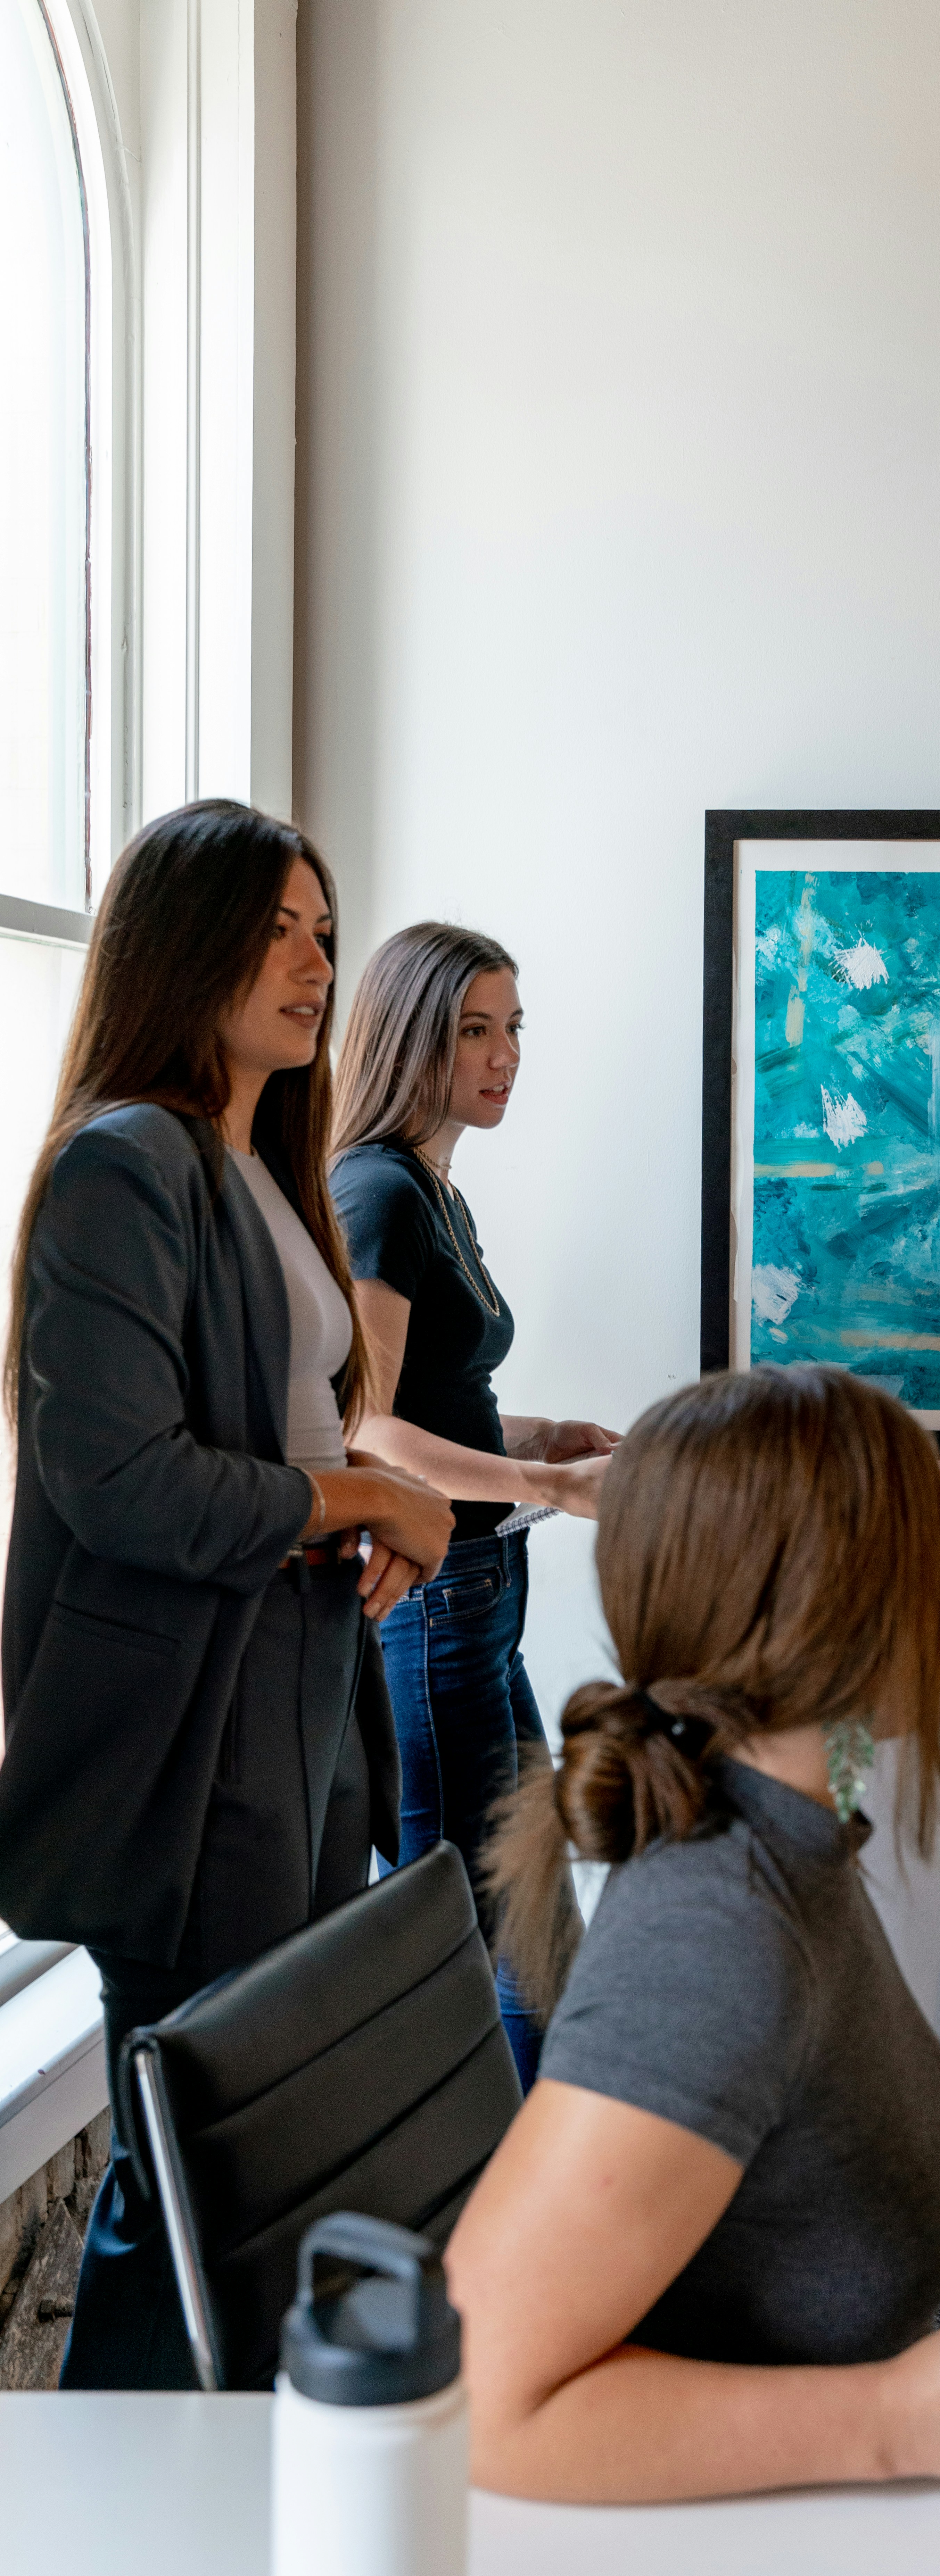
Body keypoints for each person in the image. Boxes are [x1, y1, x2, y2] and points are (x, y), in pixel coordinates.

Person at [446, 1364, 940, 2502]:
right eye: (933, 1570)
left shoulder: (795, 1827)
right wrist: (893, 2420)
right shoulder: (717, 1930)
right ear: (837, 1618)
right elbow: (482, 2402)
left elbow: (789, 2103)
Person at [0, 800, 453, 2388]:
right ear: (177, 941)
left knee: (258, 2175)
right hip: (193, 1767)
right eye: (276, 926)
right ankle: (112, 2520)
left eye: (325, 929)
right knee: (191, 2186)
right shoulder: (121, 1165)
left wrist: (364, 1515)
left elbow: (276, 1447)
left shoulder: (258, 1168)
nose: (316, 958)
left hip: (299, 1729)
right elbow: (125, 1482)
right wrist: (370, 1496)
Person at [330, 925, 615, 2088]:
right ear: (413, 1036)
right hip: (436, 1594)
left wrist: (537, 1434)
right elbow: (365, 1427)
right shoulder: (379, 1188)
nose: (503, 1058)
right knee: (463, 1927)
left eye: (513, 1030)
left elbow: (443, 1401)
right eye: (473, 1030)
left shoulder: (437, 1187)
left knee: (534, 1912)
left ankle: (544, 2199)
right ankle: (485, 2223)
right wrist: (547, 1484)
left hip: (484, 1590)